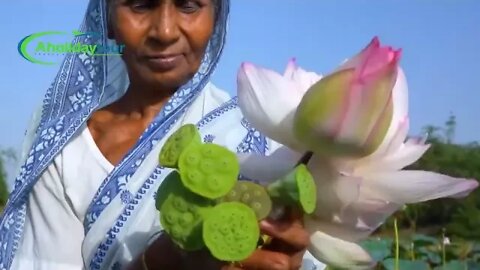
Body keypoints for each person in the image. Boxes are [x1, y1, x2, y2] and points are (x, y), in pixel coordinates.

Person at [0, 0, 326, 269]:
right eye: (140, 6)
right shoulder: (66, 148)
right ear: (108, 20)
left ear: (216, 17)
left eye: (188, 6)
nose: (165, 31)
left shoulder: (264, 138)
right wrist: (162, 260)